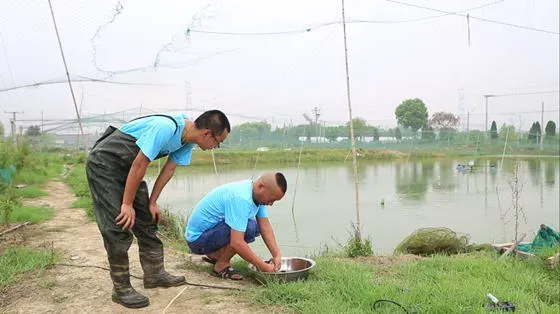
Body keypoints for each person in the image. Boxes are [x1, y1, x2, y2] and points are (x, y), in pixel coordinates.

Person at [86, 110, 230, 308]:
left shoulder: (187, 141)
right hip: (104, 164)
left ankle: (154, 274)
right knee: (119, 222)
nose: (216, 147)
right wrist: (127, 204)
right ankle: (121, 289)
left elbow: (168, 170)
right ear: (207, 133)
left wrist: (152, 202)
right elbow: (140, 163)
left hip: (128, 168)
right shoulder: (166, 127)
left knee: (147, 218)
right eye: (218, 141)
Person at [184, 172, 287, 280]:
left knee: (255, 227)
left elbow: (264, 226)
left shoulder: (256, 194)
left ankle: (217, 255)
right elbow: (237, 242)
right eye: (271, 199)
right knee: (249, 227)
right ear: (261, 187)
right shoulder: (241, 198)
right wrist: (263, 267)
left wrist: (277, 255)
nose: (271, 204)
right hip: (197, 240)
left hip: (211, 232)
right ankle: (221, 264)